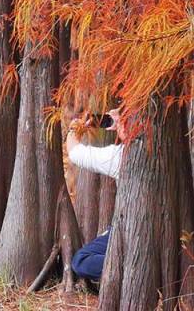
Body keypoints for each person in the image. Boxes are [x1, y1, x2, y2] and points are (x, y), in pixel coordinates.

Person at [65, 109, 124, 284]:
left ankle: (129, 265)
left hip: (130, 233)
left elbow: (75, 153)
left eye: (122, 116)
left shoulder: (121, 156)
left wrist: (74, 129)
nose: (114, 116)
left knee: (81, 261)